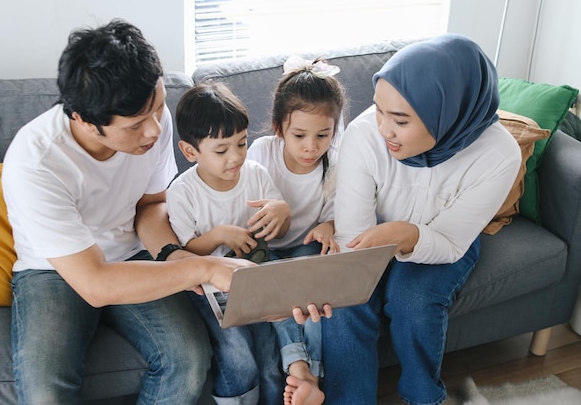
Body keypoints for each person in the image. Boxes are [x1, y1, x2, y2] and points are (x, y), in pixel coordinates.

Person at [2, 19, 254, 405]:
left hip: (129, 253)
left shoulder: (154, 122)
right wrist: (202, 268)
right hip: (51, 269)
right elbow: (96, 283)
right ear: (85, 121)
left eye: (158, 106)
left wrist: (174, 255)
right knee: (44, 395)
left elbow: (151, 206)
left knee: (187, 359)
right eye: (137, 124)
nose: (154, 131)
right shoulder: (36, 161)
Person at [319, 33, 522, 405]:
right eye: (378, 109)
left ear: (447, 114)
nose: (383, 129)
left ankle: (424, 397)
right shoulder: (364, 137)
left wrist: (407, 235)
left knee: (412, 297)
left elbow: (450, 242)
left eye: (400, 120)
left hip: (442, 238)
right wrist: (374, 249)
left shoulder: (500, 154)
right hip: (368, 238)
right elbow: (353, 240)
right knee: (345, 301)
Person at [167, 80, 291, 405]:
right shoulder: (183, 192)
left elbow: (277, 230)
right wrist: (219, 235)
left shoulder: (256, 174)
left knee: (268, 351)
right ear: (190, 151)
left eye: (242, 143)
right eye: (221, 150)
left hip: (255, 277)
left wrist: (281, 213)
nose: (235, 157)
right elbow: (182, 254)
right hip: (207, 286)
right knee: (236, 352)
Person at [247, 55, 346, 405]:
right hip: (270, 250)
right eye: (300, 135)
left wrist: (329, 226)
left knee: (315, 292)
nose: (311, 147)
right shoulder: (261, 152)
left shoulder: (334, 164)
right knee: (275, 282)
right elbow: (246, 209)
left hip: (304, 248)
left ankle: (308, 376)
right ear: (278, 129)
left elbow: (336, 215)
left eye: (324, 135)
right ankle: (302, 368)